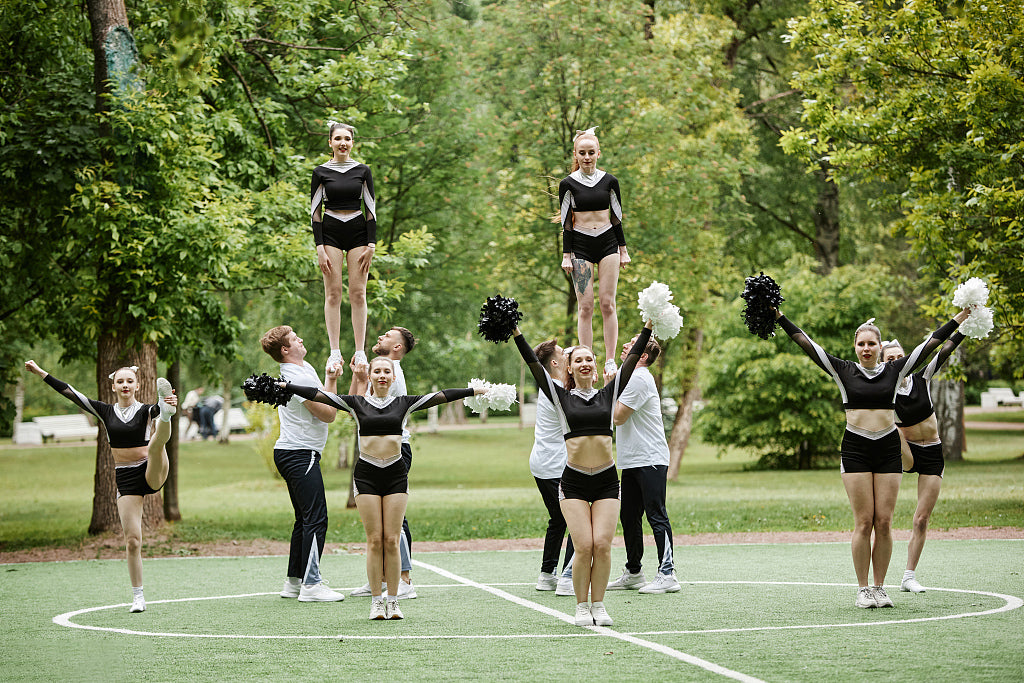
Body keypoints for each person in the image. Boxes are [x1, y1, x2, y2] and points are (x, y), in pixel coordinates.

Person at [775, 306, 969, 608]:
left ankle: (880, 587)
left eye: (871, 343)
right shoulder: (843, 370)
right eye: (861, 343)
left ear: (880, 347)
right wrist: (779, 318)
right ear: (855, 347)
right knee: (863, 522)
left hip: (888, 449)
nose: (866, 348)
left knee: (884, 522)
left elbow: (931, 343)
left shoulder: (896, 370)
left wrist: (959, 318)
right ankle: (863, 588)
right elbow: (805, 342)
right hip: (856, 450)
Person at [278, 357, 487, 621]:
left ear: (393, 377)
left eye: (387, 371)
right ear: (371, 377)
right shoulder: (356, 403)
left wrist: (473, 391)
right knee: (375, 540)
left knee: (392, 538)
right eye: (377, 371)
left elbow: (441, 396)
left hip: (396, 476)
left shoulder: (405, 403)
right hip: (366, 477)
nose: (382, 376)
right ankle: (377, 602)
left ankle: (394, 600)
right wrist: (286, 386)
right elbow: (318, 394)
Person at [514, 317, 654, 627]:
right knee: (584, 546)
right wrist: (516, 332)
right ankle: (580, 606)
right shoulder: (560, 397)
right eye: (578, 360)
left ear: (595, 364)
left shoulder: (609, 392)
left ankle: (599, 604)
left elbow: (631, 360)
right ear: (569, 368)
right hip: (574, 482)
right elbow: (532, 363)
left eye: (589, 358)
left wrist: (648, 325)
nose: (585, 363)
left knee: (602, 545)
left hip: (606, 481)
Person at [24, 361, 177, 613]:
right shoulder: (104, 411)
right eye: (120, 381)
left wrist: (165, 406)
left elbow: (155, 428)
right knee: (133, 541)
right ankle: (138, 597)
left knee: (155, 444)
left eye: (129, 381)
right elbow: (69, 392)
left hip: (151, 469)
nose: (125, 385)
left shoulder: (147, 410)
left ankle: (167, 412)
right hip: (126, 478)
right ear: (113, 386)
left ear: (138, 385)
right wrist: (41, 373)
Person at [259, 325, 345, 605]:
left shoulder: (303, 367)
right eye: (296, 339)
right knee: (316, 518)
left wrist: (329, 377)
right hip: (299, 454)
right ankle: (311, 584)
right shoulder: (294, 377)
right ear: (285, 350)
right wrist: (331, 382)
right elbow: (328, 414)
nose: (301, 339)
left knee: (304, 519)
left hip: (295, 452)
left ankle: (294, 581)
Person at [880, 327, 967, 594]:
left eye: (899, 357)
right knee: (888, 425)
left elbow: (945, 349)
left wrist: (964, 327)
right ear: (883, 363)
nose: (895, 362)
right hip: (906, 453)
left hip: (932, 453)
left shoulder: (922, 377)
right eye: (889, 359)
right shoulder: (885, 390)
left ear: (907, 358)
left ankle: (908, 576)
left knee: (921, 519)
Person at [347, 326, 419, 599]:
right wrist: (358, 376)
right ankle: (380, 577)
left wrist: (367, 374)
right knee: (380, 525)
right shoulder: (377, 371)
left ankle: (402, 580)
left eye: (388, 336)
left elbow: (367, 404)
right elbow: (354, 402)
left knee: (395, 522)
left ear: (397, 348)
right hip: (371, 452)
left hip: (396, 450)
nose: (380, 337)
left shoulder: (391, 373)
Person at [608, 333, 680, 594]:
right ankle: (634, 571)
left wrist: (608, 389)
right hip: (632, 460)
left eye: (632, 344)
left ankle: (668, 573)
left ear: (643, 356)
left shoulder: (639, 378)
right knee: (629, 516)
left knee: (656, 514)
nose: (625, 346)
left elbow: (617, 416)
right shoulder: (630, 378)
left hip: (650, 458)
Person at [558, 127, 630, 381]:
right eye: (582, 153)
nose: (587, 157)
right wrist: (567, 255)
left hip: (608, 242)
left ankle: (610, 360)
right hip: (581, 246)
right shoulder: (567, 184)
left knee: (607, 303)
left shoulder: (610, 181)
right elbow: (566, 221)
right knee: (585, 306)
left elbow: (617, 217)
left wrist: (623, 250)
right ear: (576, 155)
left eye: (591, 152)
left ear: (598, 153)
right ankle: (586, 355)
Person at [311, 121, 376, 373]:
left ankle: (360, 353)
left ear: (352, 143)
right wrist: (319, 247)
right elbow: (315, 212)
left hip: (359, 231)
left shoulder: (363, 170)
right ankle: (334, 352)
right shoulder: (320, 172)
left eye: (347, 139)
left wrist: (371, 244)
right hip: (331, 232)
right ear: (330, 142)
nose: (343, 143)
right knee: (333, 293)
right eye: (338, 138)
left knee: (358, 293)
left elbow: (370, 208)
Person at [528, 339, 575, 592]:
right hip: (552, 465)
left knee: (558, 520)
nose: (568, 353)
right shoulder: (556, 389)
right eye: (562, 352)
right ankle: (567, 577)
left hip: (547, 463)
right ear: (555, 363)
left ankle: (547, 574)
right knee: (575, 518)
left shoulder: (556, 387)